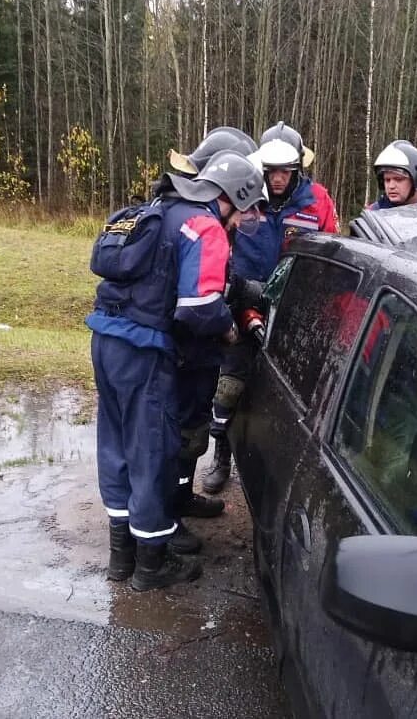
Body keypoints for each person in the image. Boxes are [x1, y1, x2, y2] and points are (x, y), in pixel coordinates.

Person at [87, 150, 264, 591]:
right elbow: (199, 308)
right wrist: (228, 330)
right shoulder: (205, 226)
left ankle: (121, 556)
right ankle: (151, 566)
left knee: (117, 446)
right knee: (151, 453)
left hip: (105, 340)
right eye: (247, 211)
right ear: (234, 197)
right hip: (144, 351)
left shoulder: (161, 208)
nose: (246, 221)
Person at [203, 122, 340, 494]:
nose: (277, 179)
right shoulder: (244, 197)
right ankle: (221, 456)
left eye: (285, 172)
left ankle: (283, 468)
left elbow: (331, 257)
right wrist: (240, 304)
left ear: (297, 169)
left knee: (295, 394)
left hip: (297, 310)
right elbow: (222, 249)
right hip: (243, 303)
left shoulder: (318, 201)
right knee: (228, 386)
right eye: (270, 171)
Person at [153, 127, 259, 556]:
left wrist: (246, 291)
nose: (243, 217)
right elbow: (195, 300)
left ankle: (180, 500)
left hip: (196, 351)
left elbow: (215, 276)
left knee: (192, 433)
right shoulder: (196, 219)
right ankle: (164, 519)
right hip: (180, 347)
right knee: (174, 434)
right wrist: (226, 327)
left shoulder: (206, 218)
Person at [368, 140, 417, 210]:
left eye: (398, 179)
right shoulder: (376, 213)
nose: (391, 186)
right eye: (387, 180)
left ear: (416, 179)